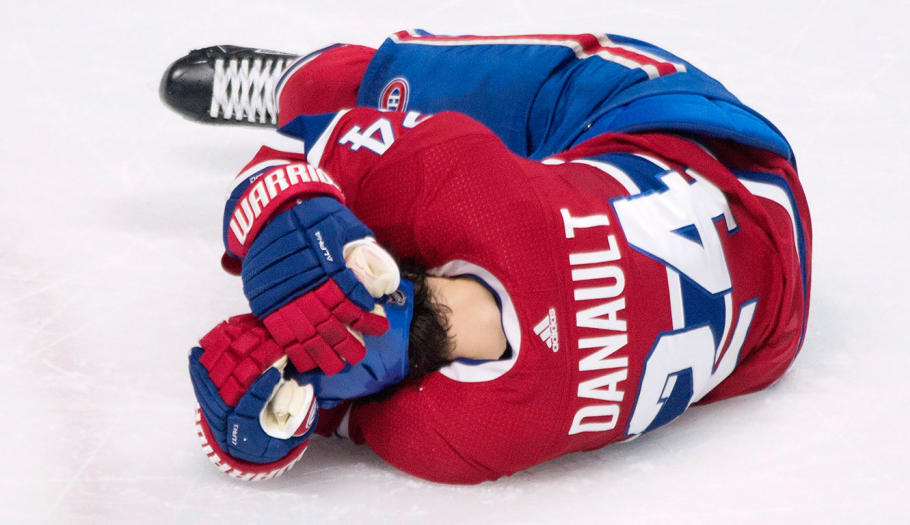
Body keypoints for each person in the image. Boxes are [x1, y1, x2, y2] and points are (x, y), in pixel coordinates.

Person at [164, 30, 812, 484]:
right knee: (404, 91)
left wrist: (267, 427)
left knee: (401, 149)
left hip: (773, 335)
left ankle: (318, 88)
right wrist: (280, 217)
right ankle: (313, 80)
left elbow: (329, 393)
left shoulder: (462, 443)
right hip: (723, 153)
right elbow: (296, 152)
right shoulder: (463, 186)